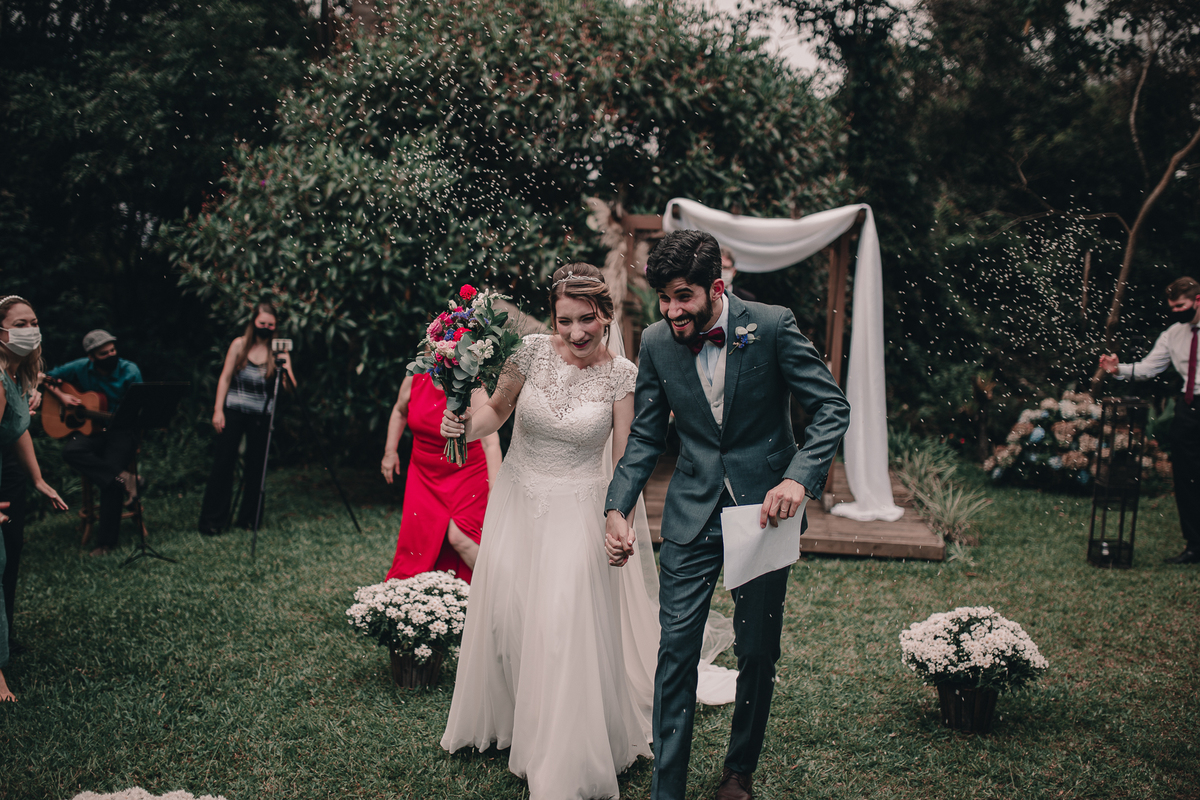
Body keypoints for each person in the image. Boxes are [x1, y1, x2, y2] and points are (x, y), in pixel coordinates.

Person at [605, 229, 850, 800]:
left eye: (683, 297)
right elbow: (644, 438)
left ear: (716, 287)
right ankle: (668, 789)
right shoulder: (660, 344)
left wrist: (797, 477)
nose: (671, 311)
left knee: (757, 648)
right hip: (692, 512)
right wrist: (617, 505)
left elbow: (830, 407)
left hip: (763, 513)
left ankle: (738, 773)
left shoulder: (771, 325)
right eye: (663, 299)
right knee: (675, 648)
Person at [439, 263, 660, 800]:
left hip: (579, 509)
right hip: (519, 502)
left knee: (562, 624)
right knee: (514, 619)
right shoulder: (529, 352)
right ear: (553, 318)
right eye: (565, 321)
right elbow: (494, 413)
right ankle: (522, 726)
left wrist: (620, 520)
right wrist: (462, 425)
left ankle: (564, 755)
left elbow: (627, 454)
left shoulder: (621, 376)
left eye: (588, 320)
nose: (577, 332)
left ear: (606, 314)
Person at [1099, 276, 1200, 565]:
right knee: (1187, 477)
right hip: (1189, 408)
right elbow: (1149, 367)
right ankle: (1195, 545)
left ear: (1197, 300)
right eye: (1172, 307)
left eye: (1180, 305)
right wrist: (1117, 370)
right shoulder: (1173, 334)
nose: (1176, 311)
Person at [0, 295, 69, 702]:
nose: (31, 330)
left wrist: (39, 480)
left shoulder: (16, 374)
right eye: (20, 323)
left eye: (34, 322)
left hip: (9, 476)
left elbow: (18, 430)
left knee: (7, 561)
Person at [380, 372, 501, 583]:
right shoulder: (415, 377)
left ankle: (497, 589)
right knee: (420, 541)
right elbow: (400, 411)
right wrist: (390, 452)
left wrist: (494, 488)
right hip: (423, 475)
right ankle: (425, 592)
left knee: (460, 537)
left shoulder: (473, 386)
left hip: (467, 474)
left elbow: (490, 443)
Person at [198, 302, 296, 536]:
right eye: (262, 323)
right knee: (223, 463)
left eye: (270, 325)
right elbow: (225, 377)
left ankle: (249, 518)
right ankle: (213, 520)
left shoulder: (278, 351)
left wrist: (284, 365)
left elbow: (290, 387)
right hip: (234, 409)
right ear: (254, 322)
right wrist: (217, 410)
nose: (266, 327)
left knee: (256, 466)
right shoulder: (239, 345)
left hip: (262, 414)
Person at [44, 329, 142, 555]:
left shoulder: (130, 371)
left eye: (113, 350)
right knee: (71, 451)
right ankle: (128, 480)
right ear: (92, 357)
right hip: (94, 431)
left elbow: (138, 410)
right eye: (103, 353)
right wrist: (62, 397)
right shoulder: (80, 367)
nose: (110, 355)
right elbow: (45, 377)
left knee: (110, 477)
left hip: (121, 431)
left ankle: (105, 543)